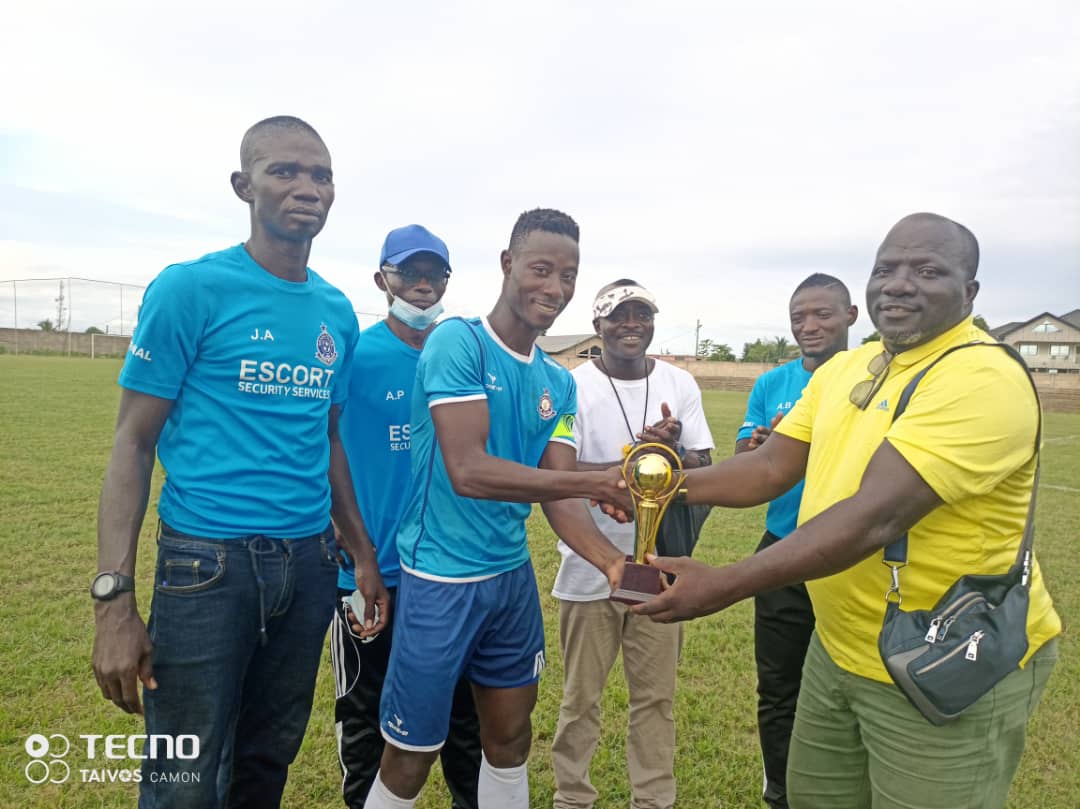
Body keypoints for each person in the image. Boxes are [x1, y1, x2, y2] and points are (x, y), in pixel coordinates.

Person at [634, 213, 1061, 809]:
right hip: (839, 651)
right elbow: (768, 468)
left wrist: (725, 583)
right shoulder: (846, 367)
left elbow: (872, 519)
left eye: (927, 270)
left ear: (970, 292)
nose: (898, 284)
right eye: (885, 269)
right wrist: (659, 486)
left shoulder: (979, 376)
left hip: (943, 656)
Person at [91, 115, 389, 809]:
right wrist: (112, 603)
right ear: (242, 184)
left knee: (266, 757)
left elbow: (330, 438)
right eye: (285, 170)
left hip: (310, 567)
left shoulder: (335, 311)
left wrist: (361, 554)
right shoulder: (191, 289)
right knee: (185, 775)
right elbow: (132, 444)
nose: (306, 187)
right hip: (206, 567)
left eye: (321, 175)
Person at [362, 208, 629, 809]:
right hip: (440, 580)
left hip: (510, 582)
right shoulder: (459, 342)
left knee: (510, 738)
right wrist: (593, 483)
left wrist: (612, 564)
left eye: (568, 275)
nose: (555, 289)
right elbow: (469, 471)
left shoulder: (560, 384)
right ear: (508, 265)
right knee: (412, 753)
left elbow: (555, 486)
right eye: (541, 269)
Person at [332, 224, 481, 808]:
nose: (422, 286)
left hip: (447, 571)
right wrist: (353, 544)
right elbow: (323, 447)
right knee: (365, 708)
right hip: (369, 570)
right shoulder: (357, 355)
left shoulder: (463, 354)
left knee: (463, 710)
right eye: (408, 273)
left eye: (433, 275)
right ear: (382, 280)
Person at [550, 280, 714, 809]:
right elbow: (559, 473)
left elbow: (704, 467)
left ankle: (654, 800)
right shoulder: (569, 385)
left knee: (656, 700)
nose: (631, 325)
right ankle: (572, 797)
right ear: (598, 326)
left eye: (641, 315)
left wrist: (668, 454)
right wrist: (633, 459)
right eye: (619, 316)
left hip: (659, 564)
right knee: (579, 700)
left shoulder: (679, 383)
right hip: (589, 566)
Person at [734, 273, 856, 809]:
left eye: (823, 315)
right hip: (782, 547)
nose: (809, 327)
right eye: (798, 318)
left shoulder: (874, 379)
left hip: (855, 555)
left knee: (853, 687)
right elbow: (746, 456)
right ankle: (780, 792)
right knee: (779, 687)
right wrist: (762, 447)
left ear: (852, 316)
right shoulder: (773, 383)